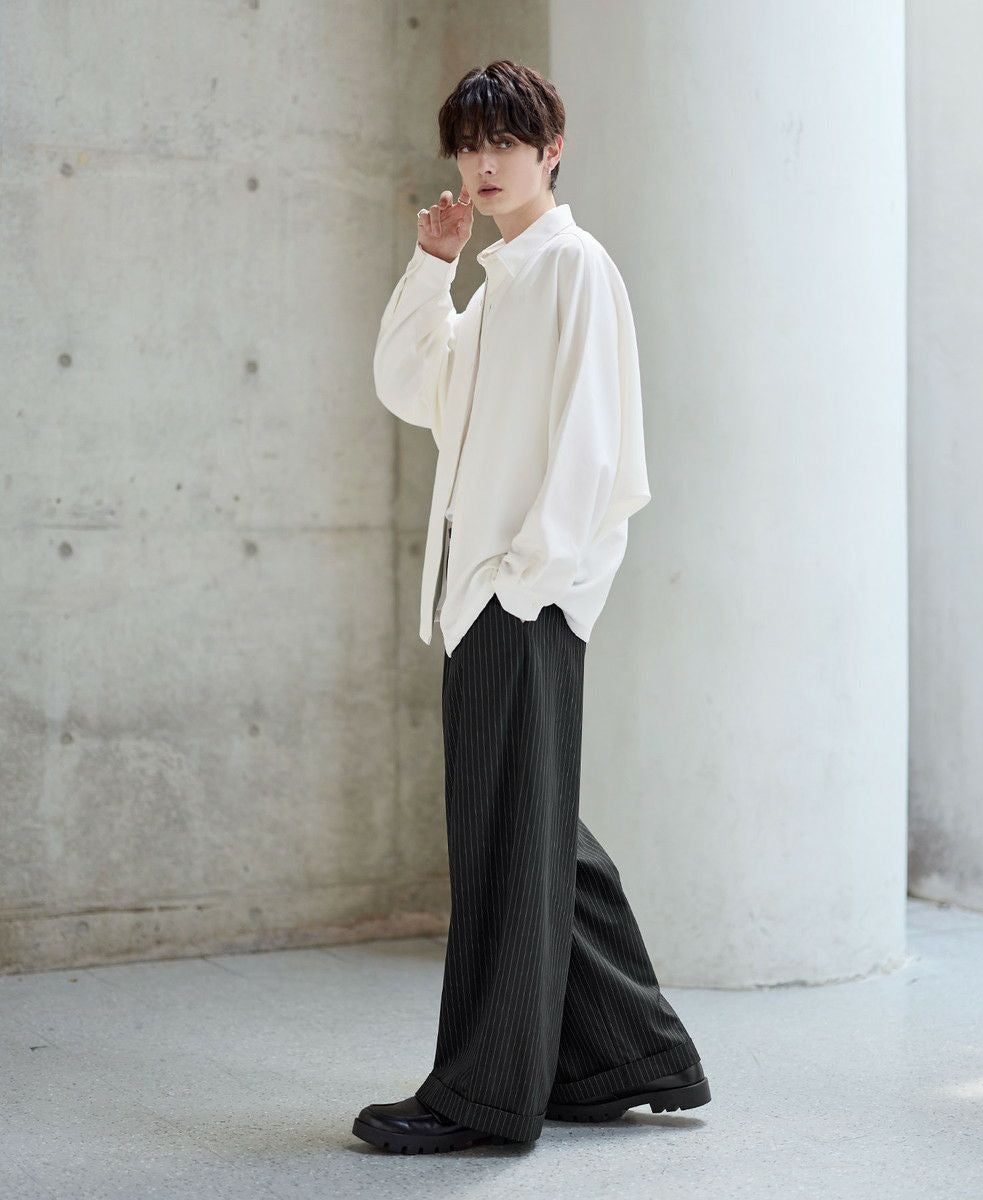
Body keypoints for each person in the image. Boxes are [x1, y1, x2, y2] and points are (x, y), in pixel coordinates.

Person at [353, 59, 710, 1154]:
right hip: (482, 600)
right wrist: (433, 266)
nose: (484, 163)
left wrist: (526, 584)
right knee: (535, 834)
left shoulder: (572, 268)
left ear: (552, 149)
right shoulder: (499, 281)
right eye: (470, 145)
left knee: (506, 847)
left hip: (518, 600)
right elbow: (408, 387)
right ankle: (623, 1059)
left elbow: (594, 447)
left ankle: (483, 1098)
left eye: (506, 142)